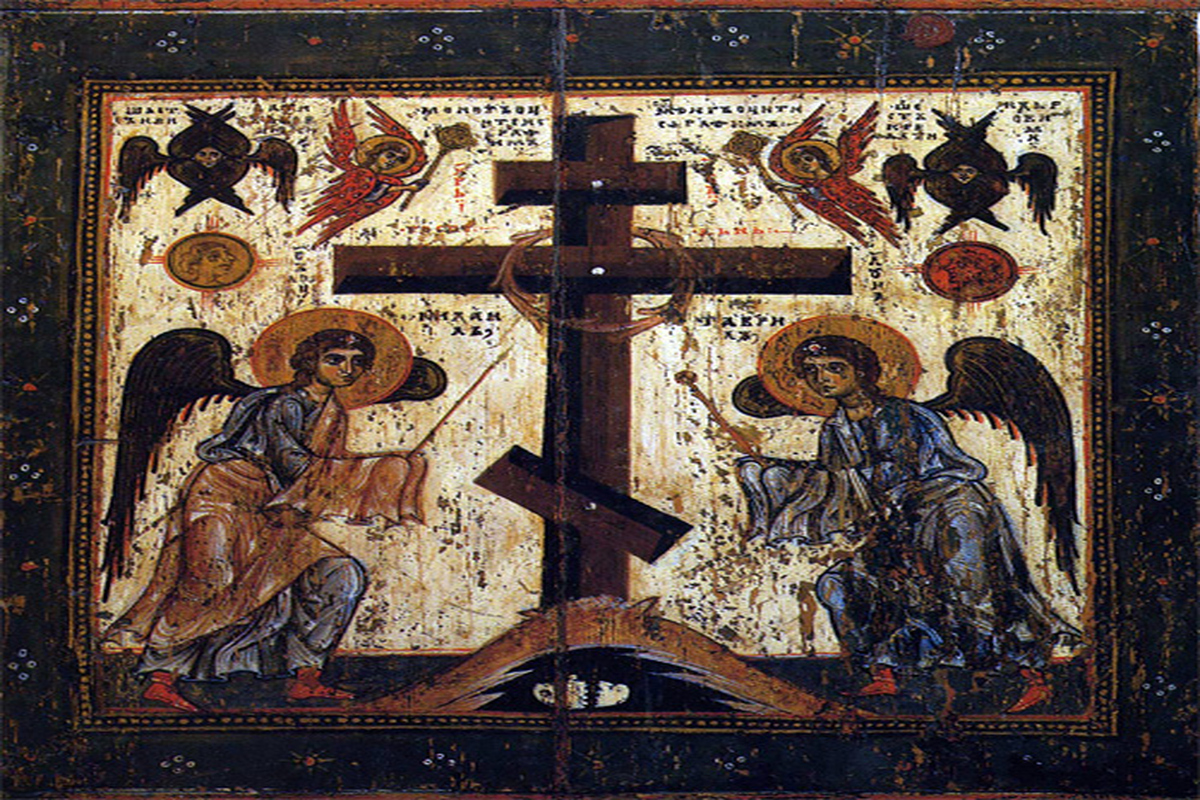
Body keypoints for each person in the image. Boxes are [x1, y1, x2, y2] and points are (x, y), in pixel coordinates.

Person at [737, 335, 1079, 713]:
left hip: (952, 510)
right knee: (842, 584)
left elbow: (923, 473)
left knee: (971, 592)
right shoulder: (835, 430)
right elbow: (841, 488)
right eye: (811, 371)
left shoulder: (908, 415)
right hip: (896, 521)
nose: (822, 378)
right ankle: (884, 672)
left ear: (862, 371)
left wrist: (899, 521)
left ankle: (1031, 676)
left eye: (834, 368)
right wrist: (772, 474)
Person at [108, 329, 426, 712]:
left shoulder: (333, 413)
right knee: (209, 578)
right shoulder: (282, 404)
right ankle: (161, 678)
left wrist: (379, 471)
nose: (347, 369)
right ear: (310, 360)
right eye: (335, 359)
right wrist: (384, 469)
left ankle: (306, 677)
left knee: (341, 574)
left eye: (357, 363)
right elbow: (292, 463)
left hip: (275, 506)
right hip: (224, 495)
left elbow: (316, 481)